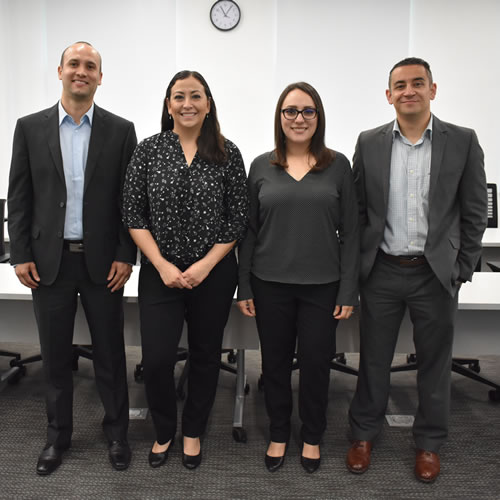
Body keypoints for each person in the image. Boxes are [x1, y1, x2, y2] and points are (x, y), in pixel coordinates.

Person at [346, 57, 488, 483]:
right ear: (388, 95)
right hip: (383, 270)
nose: (409, 91)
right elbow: (356, 211)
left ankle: (428, 443)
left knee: (434, 362)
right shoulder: (369, 142)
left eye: (418, 83)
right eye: (400, 85)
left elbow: (475, 209)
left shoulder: (462, 141)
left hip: (434, 273)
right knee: (372, 360)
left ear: (433, 89)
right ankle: (363, 434)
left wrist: (461, 267)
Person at [7, 42, 137, 475]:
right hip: (49, 263)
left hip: (104, 264)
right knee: (55, 355)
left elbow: (128, 201)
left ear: (101, 77)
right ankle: (56, 437)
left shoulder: (121, 131)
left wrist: (126, 253)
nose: (82, 71)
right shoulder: (29, 128)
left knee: (110, 354)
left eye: (91, 66)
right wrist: (20, 252)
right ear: (60, 71)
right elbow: (21, 198)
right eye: (75, 64)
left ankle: (117, 433)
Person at [122, 70, 248, 470]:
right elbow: (132, 213)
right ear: (168, 104)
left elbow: (237, 219)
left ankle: (193, 431)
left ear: (209, 103)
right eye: (179, 96)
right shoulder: (148, 150)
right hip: (161, 274)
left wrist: (205, 265)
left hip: (213, 274)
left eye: (196, 96)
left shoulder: (228, 153)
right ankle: (165, 431)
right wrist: (160, 264)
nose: (187, 103)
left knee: (205, 355)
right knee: (157, 359)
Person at [237, 82, 359, 473]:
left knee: (316, 364)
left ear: (318, 117)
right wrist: (245, 284)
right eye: (290, 111)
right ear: (279, 117)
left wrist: (348, 289)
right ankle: (277, 433)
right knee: (272, 365)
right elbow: (248, 232)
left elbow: (353, 232)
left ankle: (311, 436)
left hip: (322, 286)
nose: (299, 118)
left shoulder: (338, 165)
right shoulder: (260, 165)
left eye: (308, 111)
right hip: (269, 283)